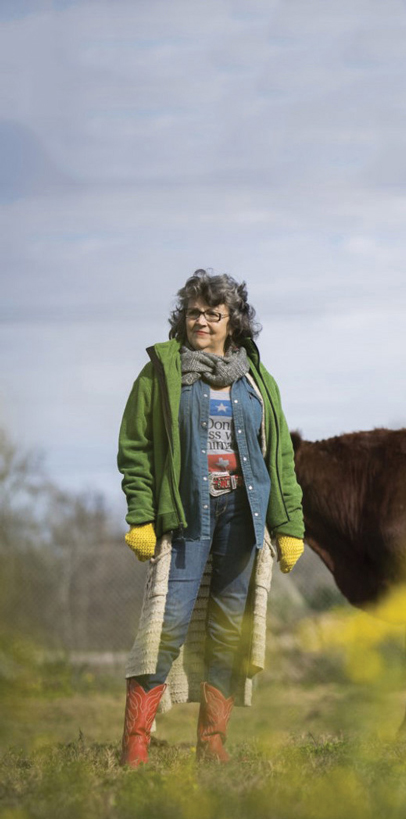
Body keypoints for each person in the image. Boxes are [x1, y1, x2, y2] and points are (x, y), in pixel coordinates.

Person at [117, 269, 305, 767]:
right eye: (194, 312)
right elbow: (135, 449)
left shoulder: (256, 381)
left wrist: (289, 526)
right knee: (167, 622)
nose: (201, 321)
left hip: (243, 517)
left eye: (212, 314)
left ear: (233, 323)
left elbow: (278, 456)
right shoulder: (162, 373)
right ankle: (136, 741)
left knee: (227, 630)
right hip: (185, 517)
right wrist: (142, 516)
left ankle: (212, 743)